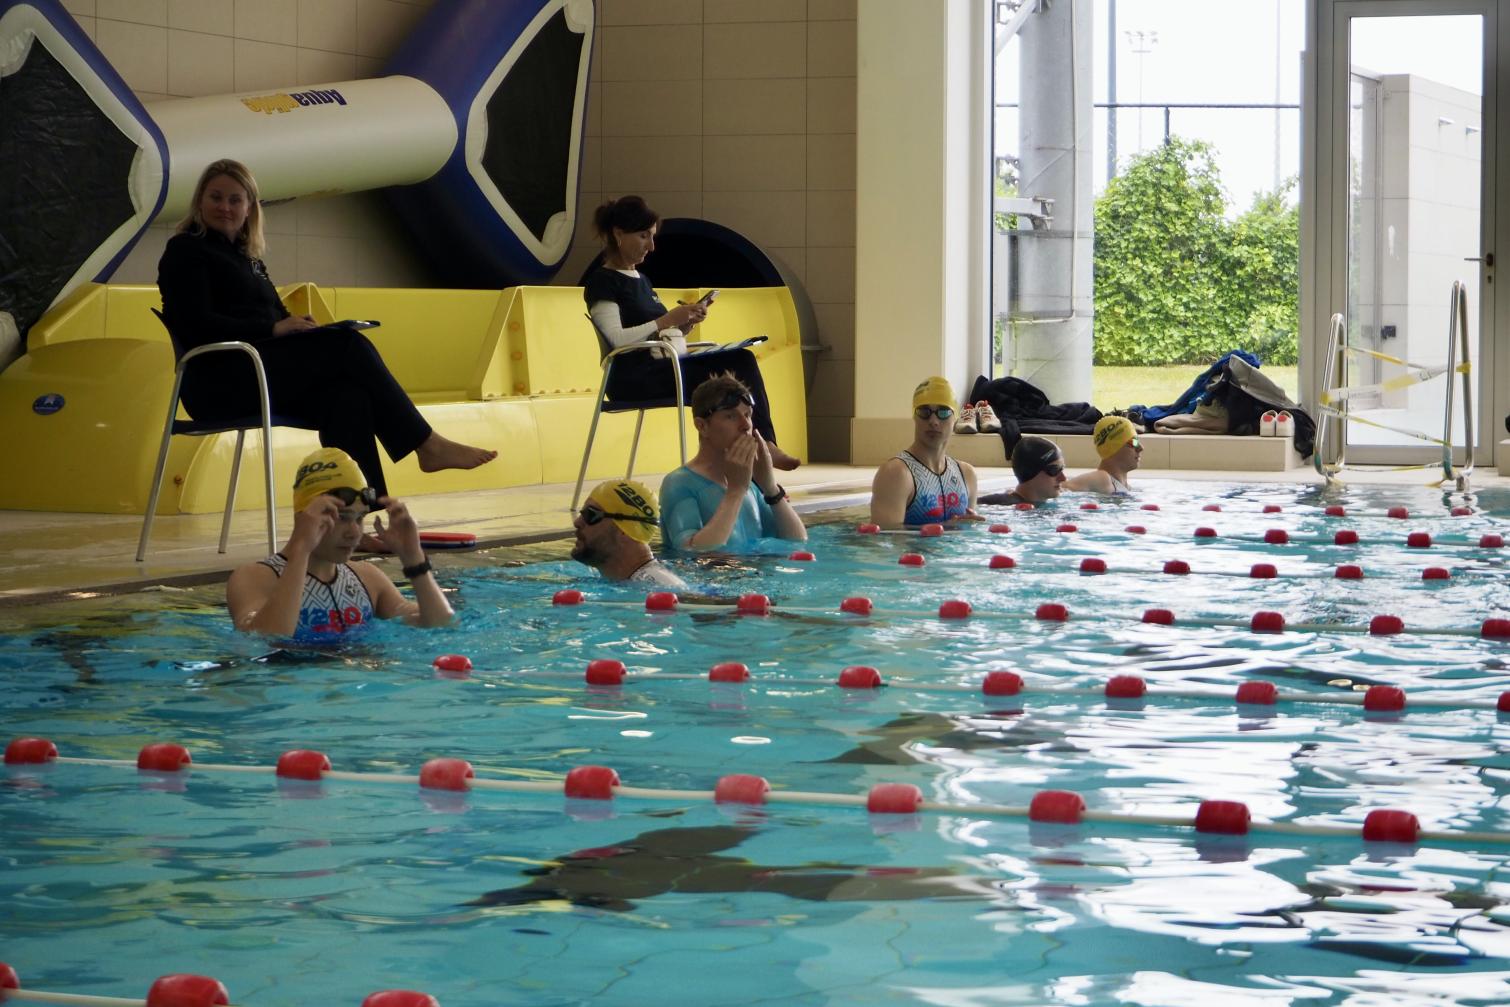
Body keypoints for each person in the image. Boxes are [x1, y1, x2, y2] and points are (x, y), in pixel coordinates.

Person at [157, 158, 496, 501]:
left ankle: (355, 515)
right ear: (200, 201)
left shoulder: (248, 259)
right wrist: (273, 328)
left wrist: (300, 328)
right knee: (347, 343)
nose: (225, 207)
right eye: (216, 197)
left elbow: (276, 316)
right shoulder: (185, 251)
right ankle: (427, 444)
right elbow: (196, 324)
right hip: (218, 382)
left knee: (348, 397)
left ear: (249, 208)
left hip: (257, 372)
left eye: (235, 200)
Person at [583, 195, 799, 471]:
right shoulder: (603, 281)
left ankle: (755, 448)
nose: (651, 246)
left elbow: (656, 333)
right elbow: (616, 340)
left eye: (652, 237)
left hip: (662, 366)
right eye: (643, 236)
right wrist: (666, 320)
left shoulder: (642, 281)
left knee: (741, 359)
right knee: (736, 366)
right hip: (633, 377)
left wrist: (684, 325)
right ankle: (758, 448)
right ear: (618, 234)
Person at [226, 447, 453, 638]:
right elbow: (264, 639)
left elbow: (439, 624)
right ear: (304, 517)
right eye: (342, 518)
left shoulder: (366, 578)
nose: (354, 532)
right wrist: (301, 550)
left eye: (360, 518)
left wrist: (413, 558)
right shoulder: (255, 577)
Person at [659, 373, 807, 552]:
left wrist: (770, 488)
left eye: (748, 415)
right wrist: (735, 491)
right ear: (702, 426)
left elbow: (797, 542)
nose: (746, 425)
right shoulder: (679, 484)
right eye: (731, 416)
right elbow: (690, 551)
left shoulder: (749, 484)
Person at [869, 376, 980, 527]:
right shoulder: (896, 474)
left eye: (943, 412)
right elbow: (885, 537)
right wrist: (947, 527)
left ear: (955, 418)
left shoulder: (967, 475)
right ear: (914, 416)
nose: (933, 421)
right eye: (924, 411)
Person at [571, 478, 687, 588]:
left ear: (625, 530)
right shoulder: (624, 582)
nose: (577, 522)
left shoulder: (659, 588)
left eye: (590, 514)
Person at [977, 436, 1066, 507]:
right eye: (1055, 470)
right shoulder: (1002, 504)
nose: (1063, 478)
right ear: (1031, 471)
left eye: (1062, 469)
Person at [1065, 416, 1142, 495]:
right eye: (1134, 442)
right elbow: (1062, 488)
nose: (1141, 448)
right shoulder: (1102, 478)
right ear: (1112, 447)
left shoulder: (1128, 489)